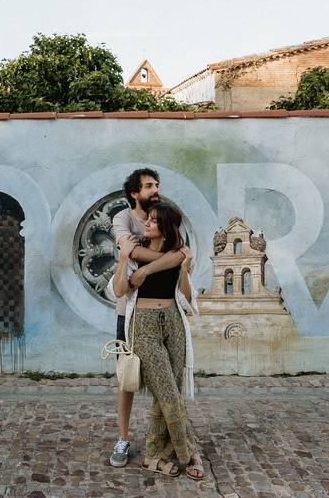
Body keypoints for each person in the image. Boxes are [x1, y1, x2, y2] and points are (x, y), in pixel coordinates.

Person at [113, 202, 204, 480]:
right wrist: (124, 261)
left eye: (152, 221)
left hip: (173, 321)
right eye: (147, 219)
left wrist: (185, 269)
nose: (147, 224)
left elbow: (186, 295)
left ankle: (154, 455)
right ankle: (189, 454)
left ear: (164, 226)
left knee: (170, 391)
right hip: (145, 324)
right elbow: (119, 289)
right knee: (166, 391)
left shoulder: (178, 253)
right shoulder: (135, 249)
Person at [108, 168, 185, 468]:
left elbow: (180, 251)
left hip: (165, 313)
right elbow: (132, 252)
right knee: (127, 378)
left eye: (157, 185)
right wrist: (174, 257)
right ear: (134, 193)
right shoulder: (123, 219)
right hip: (128, 312)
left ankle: (165, 439)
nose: (156, 190)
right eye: (149, 186)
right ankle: (123, 438)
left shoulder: (165, 214)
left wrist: (171, 258)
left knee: (166, 383)